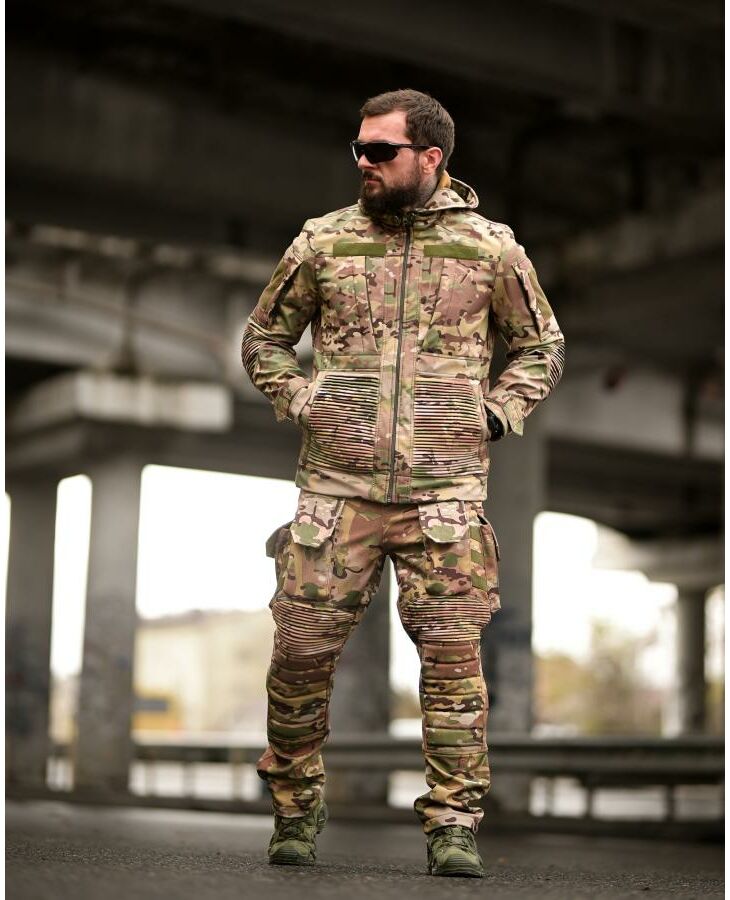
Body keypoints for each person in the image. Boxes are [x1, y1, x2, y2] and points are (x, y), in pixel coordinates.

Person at [241, 89, 564, 878]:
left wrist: (498, 412)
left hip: (444, 499)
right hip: (336, 493)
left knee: (453, 670)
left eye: (381, 151)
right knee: (300, 655)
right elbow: (264, 339)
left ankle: (453, 826)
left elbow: (542, 347)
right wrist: (300, 397)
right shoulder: (324, 240)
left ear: (430, 157)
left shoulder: (492, 249)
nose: (365, 162)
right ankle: (295, 810)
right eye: (359, 148)